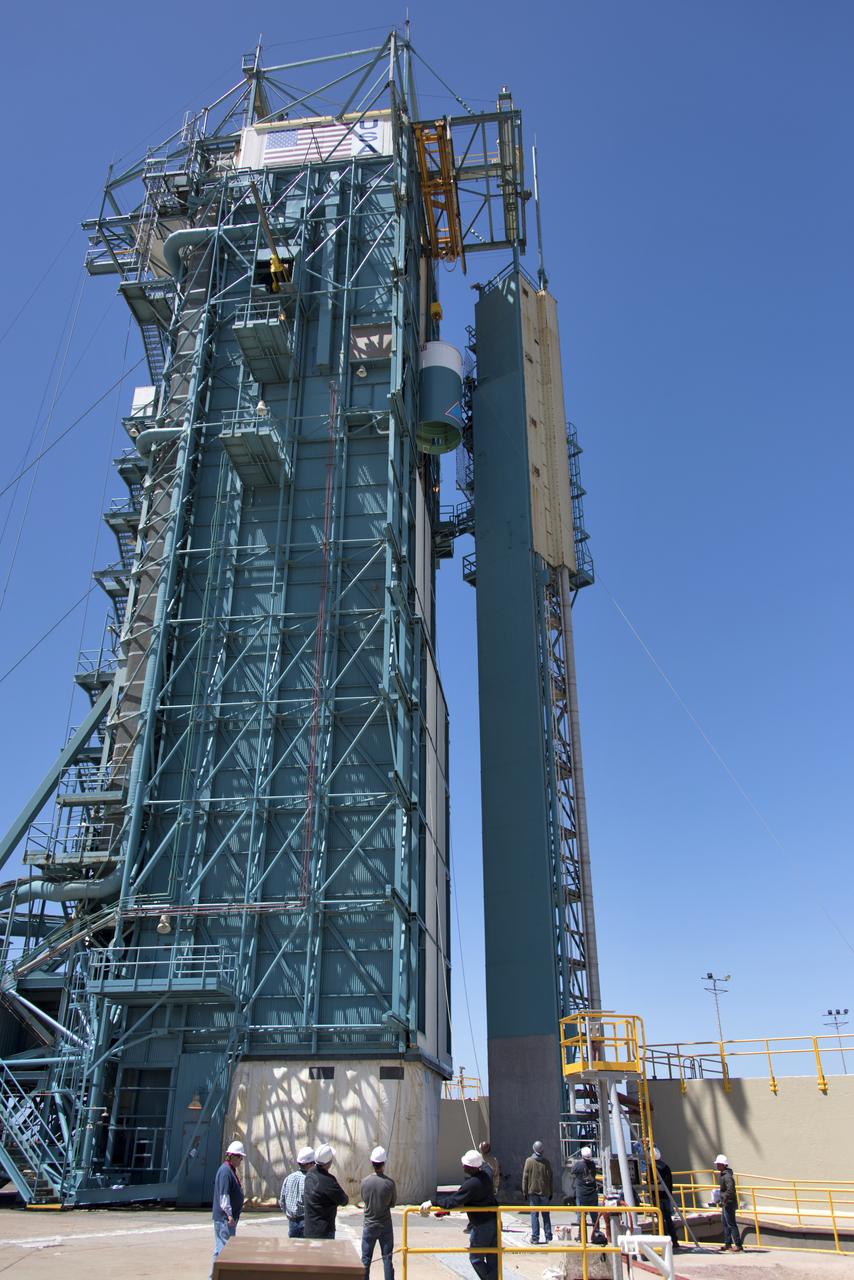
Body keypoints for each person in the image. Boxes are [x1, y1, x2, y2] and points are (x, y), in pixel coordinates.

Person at [420, 1148, 498, 1279]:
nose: (463, 1166)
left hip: (481, 1225)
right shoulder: (487, 1175)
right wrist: (480, 1159)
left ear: (472, 1168)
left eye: (466, 1165)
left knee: (475, 1258)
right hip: (494, 1220)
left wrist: (433, 1202)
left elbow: (453, 1200)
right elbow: (487, 1167)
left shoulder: (471, 1184)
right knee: (493, 1257)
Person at [361, 1145, 396, 1280]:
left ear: (372, 1163)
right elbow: (392, 1203)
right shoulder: (390, 1183)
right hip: (385, 1224)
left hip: (369, 1224)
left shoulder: (365, 1182)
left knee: (366, 1259)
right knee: (387, 1258)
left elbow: (365, 1200)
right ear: (384, 1163)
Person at [210, 1140, 245, 1278]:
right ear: (233, 1156)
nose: (241, 1160)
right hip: (225, 1219)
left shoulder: (230, 1170)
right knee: (225, 1250)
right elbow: (224, 1196)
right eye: (240, 1157)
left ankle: (213, 1276)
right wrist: (229, 1215)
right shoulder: (225, 1172)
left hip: (226, 1218)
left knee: (220, 1249)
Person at [304, 1143, 349, 1239]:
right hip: (324, 1231)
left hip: (309, 1228)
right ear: (329, 1162)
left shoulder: (310, 1173)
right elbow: (344, 1200)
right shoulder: (328, 1181)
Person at [521, 1140, 553, 1245]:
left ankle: (535, 1238)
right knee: (546, 1215)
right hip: (544, 1192)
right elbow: (550, 1178)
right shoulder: (546, 1163)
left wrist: (524, 1191)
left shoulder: (529, 1161)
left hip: (533, 1192)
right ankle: (549, 1237)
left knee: (534, 1215)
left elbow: (525, 1178)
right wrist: (550, 1192)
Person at [279, 1146, 315, 1238]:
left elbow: (282, 1200)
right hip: (306, 1221)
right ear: (308, 1164)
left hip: (292, 1221)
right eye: (313, 1163)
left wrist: (288, 1213)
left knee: (294, 1249)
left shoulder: (289, 1178)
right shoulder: (310, 1180)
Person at [714, 1154, 743, 1252]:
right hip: (726, 1202)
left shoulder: (727, 1176)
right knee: (725, 1223)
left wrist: (725, 1199)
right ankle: (728, 1243)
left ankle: (738, 1245)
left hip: (728, 1203)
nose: (717, 1166)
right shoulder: (723, 1174)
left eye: (718, 1164)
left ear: (723, 1165)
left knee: (731, 1224)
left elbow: (730, 1190)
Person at [570, 1146, 599, 1240]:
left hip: (582, 1195)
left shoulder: (578, 1165)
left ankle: (581, 1236)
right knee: (594, 1216)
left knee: (581, 1216)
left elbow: (572, 1171)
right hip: (592, 1194)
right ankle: (596, 1235)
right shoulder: (593, 1165)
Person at [653, 1147, 679, 1251]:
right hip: (666, 1197)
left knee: (661, 1219)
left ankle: (663, 1240)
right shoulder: (666, 1167)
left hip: (658, 1197)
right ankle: (674, 1240)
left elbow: (651, 1182)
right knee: (668, 1218)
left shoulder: (653, 1168)